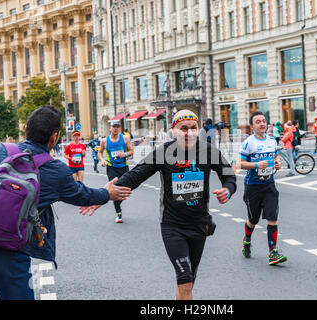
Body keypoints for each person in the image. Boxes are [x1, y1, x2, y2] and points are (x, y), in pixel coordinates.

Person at [0, 106, 132, 300]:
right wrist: (106, 193)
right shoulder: (55, 170)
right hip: (11, 251)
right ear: (54, 137)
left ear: (26, 129)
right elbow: (82, 195)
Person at [81, 109, 237, 300]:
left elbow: (228, 175)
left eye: (193, 128)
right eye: (183, 128)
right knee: (185, 280)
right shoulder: (164, 152)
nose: (188, 133)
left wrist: (227, 190)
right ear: (173, 130)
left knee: (187, 284)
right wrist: (101, 195)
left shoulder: (208, 151)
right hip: (173, 226)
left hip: (199, 224)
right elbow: (135, 176)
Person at [237, 111, 286, 265]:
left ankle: (273, 253)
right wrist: (256, 164)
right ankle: (247, 240)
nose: (262, 123)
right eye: (258, 121)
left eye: (264, 121)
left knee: (272, 218)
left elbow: (275, 156)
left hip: (269, 185)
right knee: (253, 219)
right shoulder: (248, 143)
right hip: (252, 187)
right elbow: (239, 164)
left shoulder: (272, 141)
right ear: (252, 126)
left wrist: (278, 163)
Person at [98, 120, 134, 223]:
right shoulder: (104, 141)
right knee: (115, 189)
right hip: (112, 168)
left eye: (118, 126)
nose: (116, 128)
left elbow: (132, 151)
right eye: (114, 126)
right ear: (110, 128)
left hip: (124, 167)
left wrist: (125, 154)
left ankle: (118, 202)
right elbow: (99, 153)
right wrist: (102, 160)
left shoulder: (125, 138)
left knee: (125, 190)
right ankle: (118, 213)